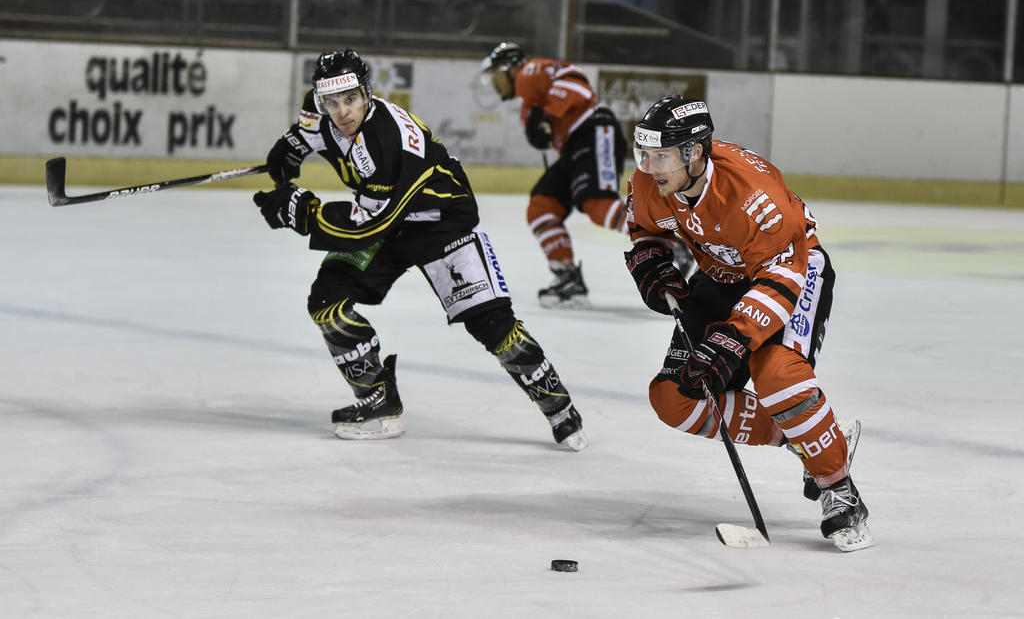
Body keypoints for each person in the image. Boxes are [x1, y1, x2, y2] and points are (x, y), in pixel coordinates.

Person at [252, 48, 587, 450]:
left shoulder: (386, 143)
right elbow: (307, 131)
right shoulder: (322, 108)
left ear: (367, 93)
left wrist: (300, 212)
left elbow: (366, 227)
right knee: (327, 302)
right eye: (332, 102)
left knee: (493, 325)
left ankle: (560, 409)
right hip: (389, 224)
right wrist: (288, 152)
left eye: (351, 99)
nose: (342, 111)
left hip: (441, 224)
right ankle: (378, 402)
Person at [622, 95, 872, 550]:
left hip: (793, 270)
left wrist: (734, 339)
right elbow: (646, 229)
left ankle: (838, 487)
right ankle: (808, 440)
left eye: (660, 155)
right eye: (645, 153)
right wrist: (654, 263)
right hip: (722, 275)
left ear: (694, 152)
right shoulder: (649, 183)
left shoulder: (753, 196)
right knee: (676, 398)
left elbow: (781, 275)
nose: (648, 165)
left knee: (775, 374)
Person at [481, 42, 644, 308]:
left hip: (593, 130)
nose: (494, 83)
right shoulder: (526, 105)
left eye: (495, 76)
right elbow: (544, 132)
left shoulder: (529, 73)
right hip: (573, 147)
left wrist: (547, 115)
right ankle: (568, 277)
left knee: (597, 204)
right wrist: (540, 126)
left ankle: (663, 238)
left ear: (509, 68)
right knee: (541, 207)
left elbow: (577, 81)